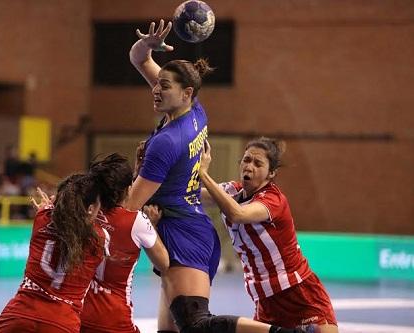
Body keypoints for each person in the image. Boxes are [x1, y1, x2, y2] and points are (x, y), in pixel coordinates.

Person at [126, 20, 316, 333]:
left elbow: (131, 205)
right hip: (188, 227)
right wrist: (147, 46)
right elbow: (138, 59)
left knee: (195, 323)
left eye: (164, 86)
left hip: (182, 234)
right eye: (156, 83)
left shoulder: (167, 142)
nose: (156, 89)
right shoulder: (195, 112)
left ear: (186, 93)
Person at [198, 137, 338, 333]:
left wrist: (203, 174)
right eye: (246, 160)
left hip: (297, 292)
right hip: (264, 299)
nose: (249, 166)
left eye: (258, 163)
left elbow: (237, 214)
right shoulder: (232, 191)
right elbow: (191, 196)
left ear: (271, 173)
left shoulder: (273, 200)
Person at [0, 173, 108, 333]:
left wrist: (48, 207)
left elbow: (52, 212)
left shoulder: (42, 218)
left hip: (16, 317)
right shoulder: (98, 239)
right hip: (61, 323)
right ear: (90, 209)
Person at [79, 153, 169, 333]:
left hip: (80, 315)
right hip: (115, 318)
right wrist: (152, 226)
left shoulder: (86, 214)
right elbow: (164, 263)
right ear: (128, 189)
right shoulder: (138, 221)